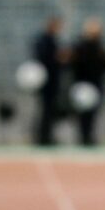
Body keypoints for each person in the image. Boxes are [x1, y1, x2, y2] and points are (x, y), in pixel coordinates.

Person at [70, 17, 105, 145]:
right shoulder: (80, 46)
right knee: (82, 113)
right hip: (82, 82)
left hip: (95, 83)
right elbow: (75, 64)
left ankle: (89, 136)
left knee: (93, 113)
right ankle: (83, 136)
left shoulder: (100, 47)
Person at [33, 16, 66, 146]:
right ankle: (44, 137)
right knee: (46, 111)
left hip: (50, 81)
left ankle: (46, 136)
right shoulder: (45, 41)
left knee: (49, 111)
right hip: (47, 82)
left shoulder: (49, 40)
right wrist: (58, 59)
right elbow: (45, 58)